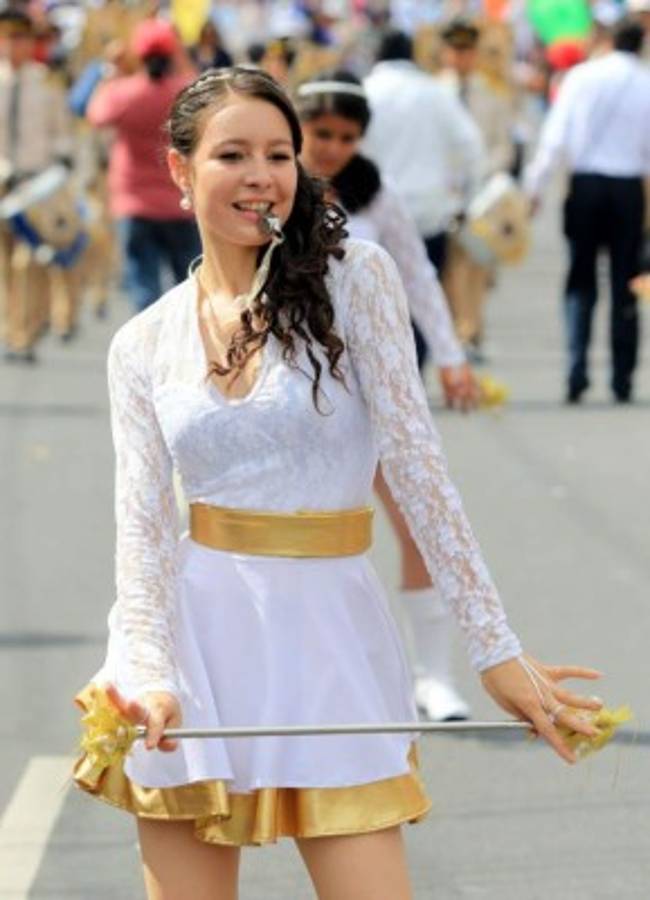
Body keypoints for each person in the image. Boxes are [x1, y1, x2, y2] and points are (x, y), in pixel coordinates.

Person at [73, 67, 602, 900]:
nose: (261, 176)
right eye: (233, 155)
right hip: (194, 642)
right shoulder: (141, 343)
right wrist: (147, 673)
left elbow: (421, 472)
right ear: (179, 170)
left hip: (329, 634)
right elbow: (139, 532)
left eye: (279, 155)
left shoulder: (356, 279)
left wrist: (494, 649)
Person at [296, 69, 477, 721]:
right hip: (294, 390)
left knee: (418, 521)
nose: (333, 147)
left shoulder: (377, 192)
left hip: (373, 384)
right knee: (304, 537)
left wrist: (451, 356)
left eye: (347, 136)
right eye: (321, 133)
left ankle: (433, 678)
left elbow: (419, 273)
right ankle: (319, 679)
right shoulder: (270, 186)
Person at [524, 18, 650, 404]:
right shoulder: (646, 82)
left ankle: (576, 370)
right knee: (625, 283)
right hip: (629, 189)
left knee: (580, 279)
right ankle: (621, 379)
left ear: (610, 41)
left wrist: (534, 188)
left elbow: (555, 136)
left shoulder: (580, 77)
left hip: (586, 187)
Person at [362, 29, 485, 326]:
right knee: (424, 300)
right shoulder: (434, 92)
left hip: (375, 213)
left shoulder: (365, 91)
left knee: (378, 304)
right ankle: (416, 366)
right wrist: (465, 201)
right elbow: (471, 147)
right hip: (429, 213)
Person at [86, 18, 200, 313]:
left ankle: (149, 352)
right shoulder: (184, 92)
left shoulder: (125, 92)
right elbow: (206, 93)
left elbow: (96, 114)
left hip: (134, 203)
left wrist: (112, 71)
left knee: (144, 287)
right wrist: (182, 57)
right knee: (188, 286)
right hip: (180, 201)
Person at [438, 18, 516, 361]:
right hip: (441, 193)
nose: (461, 58)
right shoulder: (433, 92)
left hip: (481, 195)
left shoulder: (492, 94)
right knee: (447, 268)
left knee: (477, 266)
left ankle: (471, 330)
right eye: (456, 51)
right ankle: (456, 329)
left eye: (467, 52)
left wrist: (483, 175)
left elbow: (504, 146)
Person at [0, 8, 72, 362]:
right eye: (7, 37)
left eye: (20, 38)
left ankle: (24, 335)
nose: (13, 45)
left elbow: (61, 134)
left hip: (34, 184)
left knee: (27, 261)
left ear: (30, 42)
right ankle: (10, 329)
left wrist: (59, 167)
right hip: (1, 182)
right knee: (3, 264)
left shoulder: (46, 81)